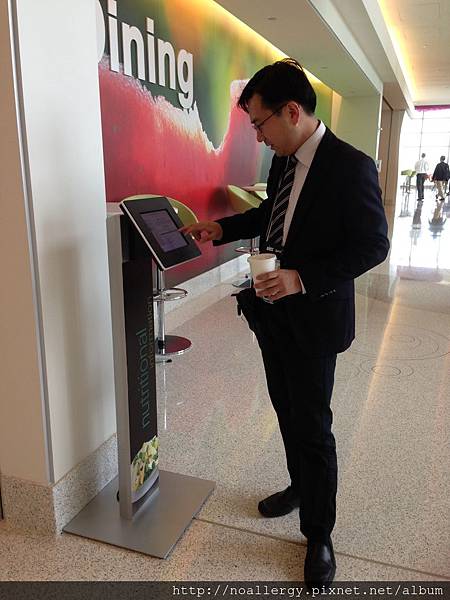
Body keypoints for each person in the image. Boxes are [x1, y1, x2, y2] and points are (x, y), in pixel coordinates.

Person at [182, 58, 389, 586]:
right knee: (286, 408)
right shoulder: (284, 160)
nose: (257, 134)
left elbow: (373, 245)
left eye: (259, 122)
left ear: (291, 111)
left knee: (313, 425)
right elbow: (271, 215)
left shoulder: (350, 166)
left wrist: (302, 277)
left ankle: (320, 534)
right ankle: (301, 487)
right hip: (272, 315)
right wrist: (220, 228)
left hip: (315, 318)